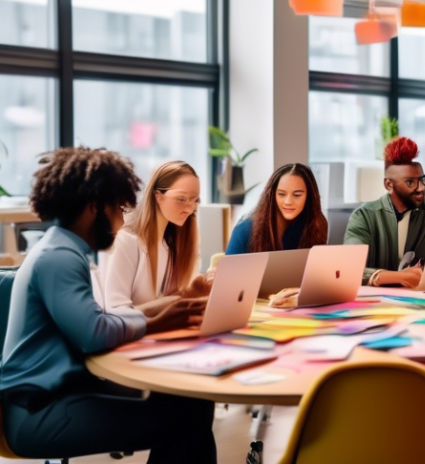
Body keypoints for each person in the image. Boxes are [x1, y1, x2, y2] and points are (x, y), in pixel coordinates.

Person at [1, 147, 215, 463]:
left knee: (192, 402)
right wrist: (157, 322)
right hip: (39, 412)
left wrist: (168, 308)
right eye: (118, 208)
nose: (121, 220)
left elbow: (94, 321)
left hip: (58, 395)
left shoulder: (63, 250)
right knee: (188, 419)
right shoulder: (59, 258)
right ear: (93, 208)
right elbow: (94, 333)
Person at [102, 161, 209, 312]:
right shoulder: (127, 241)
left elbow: (170, 302)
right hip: (132, 334)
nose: (190, 208)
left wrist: (195, 292)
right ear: (158, 196)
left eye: (194, 200)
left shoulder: (174, 243)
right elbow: (115, 311)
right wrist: (176, 302)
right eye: (181, 199)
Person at [344, 136, 425, 288]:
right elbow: (349, 269)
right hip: (374, 302)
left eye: (423, 180)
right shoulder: (363, 215)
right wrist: (396, 277)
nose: (421, 188)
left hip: (416, 297)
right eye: (410, 182)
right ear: (389, 185)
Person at [226, 163, 328, 255]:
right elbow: (228, 273)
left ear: (309, 196)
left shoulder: (317, 224)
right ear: (272, 195)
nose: (288, 202)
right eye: (281, 194)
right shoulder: (245, 230)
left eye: (297, 195)